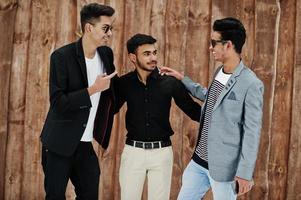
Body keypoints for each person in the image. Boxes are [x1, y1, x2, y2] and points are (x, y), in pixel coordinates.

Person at [160, 17, 264, 200]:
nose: (210, 47)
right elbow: (210, 96)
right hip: (199, 161)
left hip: (225, 169)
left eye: (214, 43)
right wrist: (182, 78)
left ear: (228, 45)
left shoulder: (251, 84)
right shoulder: (220, 72)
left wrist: (245, 173)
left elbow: (252, 131)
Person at [40, 3, 117, 200]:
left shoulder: (106, 54)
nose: (110, 33)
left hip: (85, 143)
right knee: (55, 196)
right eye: (105, 28)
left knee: (89, 194)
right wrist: (93, 90)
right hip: (59, 143)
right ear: (89, 28)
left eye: (111, 28)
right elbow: (59, 103)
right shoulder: (61, 57)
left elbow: (113, 89)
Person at [115, 33, 201, 200]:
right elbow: (108, 110)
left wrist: (220, 117)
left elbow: (193, 110)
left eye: (154, 52)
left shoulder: (169, 82)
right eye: (147, 54)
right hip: (133, 152)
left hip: (162, 153)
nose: (153, 57)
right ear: (133, 57)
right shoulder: (124, 83)